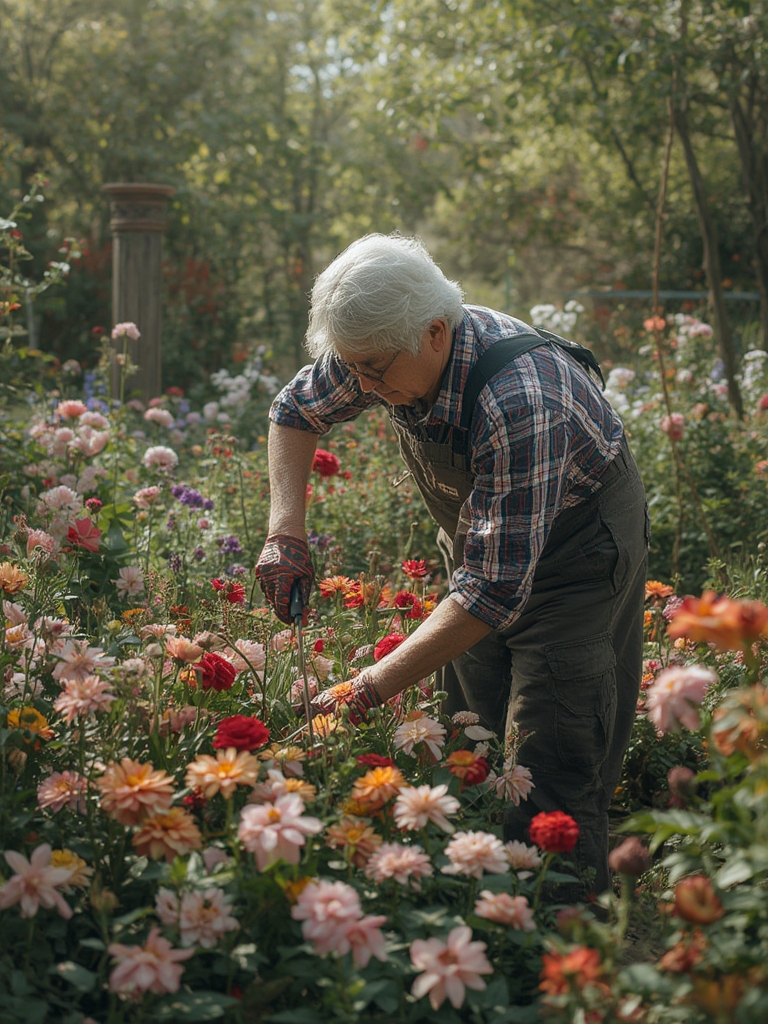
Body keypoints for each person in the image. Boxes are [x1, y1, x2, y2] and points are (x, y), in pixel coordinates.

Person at [256, 232, 648, 898]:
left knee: (552, 748)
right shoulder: (377, 347)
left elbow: (492, 592)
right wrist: (284, 531)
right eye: (352, 369)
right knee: (472, 725)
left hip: (577, 557)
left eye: (374, 371)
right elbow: (294, 410)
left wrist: (371, 685)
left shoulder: (522, 401)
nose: (363, 387)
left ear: (435, 333)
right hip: (487, 545)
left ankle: (562, 939)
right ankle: (481, 900)